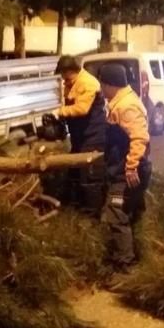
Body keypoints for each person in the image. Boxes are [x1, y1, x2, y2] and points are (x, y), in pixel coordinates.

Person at [97, 63, 151, 271]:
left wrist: (131, 167)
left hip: (127, 173)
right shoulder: (119, 102)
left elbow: (139, 137)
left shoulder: (126, 106)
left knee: (116, 212)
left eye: (102, 84)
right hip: (123, 170)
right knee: (131, 213)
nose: (101, 89)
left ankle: (125, 267)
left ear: (110, 85)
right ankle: (135, 257)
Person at [54, 55, 107, 213]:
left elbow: (81, 109)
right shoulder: (71, 84)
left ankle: (93, 216)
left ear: (70, 71)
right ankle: (76, 210)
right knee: (74, 174)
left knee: (89, 179)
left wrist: (60, 112)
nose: (63, 80)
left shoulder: (88, 83)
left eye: (64, 75)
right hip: (80, 138)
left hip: (93, 137)